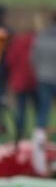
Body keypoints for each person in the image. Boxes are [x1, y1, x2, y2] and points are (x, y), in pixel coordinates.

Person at [31, 12, 56, 174]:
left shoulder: (42, 36)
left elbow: (34, 57)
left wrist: (40, 71)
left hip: (44, 78)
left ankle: (38, 159)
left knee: (42, 116)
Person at [6, 19, 38, 135]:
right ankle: (39, 131)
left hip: (20, 81)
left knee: (21, 108)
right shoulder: (36, 42)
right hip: (34, 80)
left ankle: (20, 132)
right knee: (38, 109)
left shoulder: (17, 43)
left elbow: (10, 60)